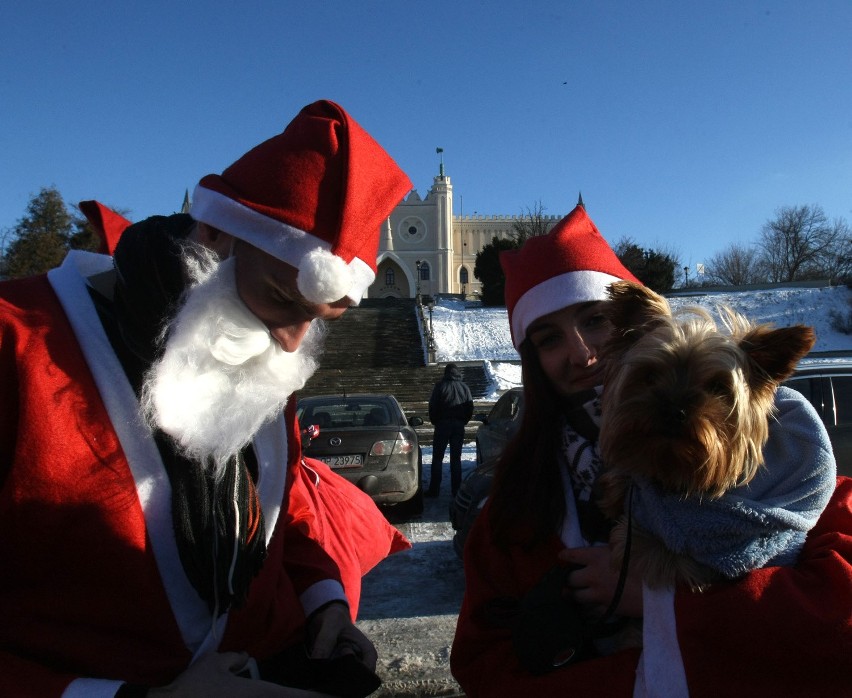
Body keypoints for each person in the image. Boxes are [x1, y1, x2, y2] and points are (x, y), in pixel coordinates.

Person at [0, 100, 416, 697]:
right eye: (280, 297)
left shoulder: (258, 354)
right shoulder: (17, 340)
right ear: (215, 234)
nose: (292, 343)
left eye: (322, 318)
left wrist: (320, 602)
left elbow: (278, 510)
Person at [450, 204, 852, 697]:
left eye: (596, 320)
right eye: (548, 338)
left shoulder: (794, 477)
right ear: (532, 361)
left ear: (632, 328)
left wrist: (658, 601)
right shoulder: (514, 506)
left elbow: (838, 623)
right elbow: (484, 669)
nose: (581, 353)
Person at [426, 362, 474, 497]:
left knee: (437, 458)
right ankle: (456, 489)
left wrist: (435, 421)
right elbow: (470, 406)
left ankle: (434, 489)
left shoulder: (440, 386)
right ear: (457, 373)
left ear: (445, 373)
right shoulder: (464, 387)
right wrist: (463, 420)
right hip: (458, 425)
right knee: (456, 458)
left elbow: (433, 406)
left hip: (442, 425)